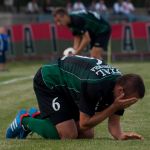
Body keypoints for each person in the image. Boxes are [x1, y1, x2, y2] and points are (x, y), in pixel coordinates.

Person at [6, 55, 145, 140]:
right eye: (130, 101)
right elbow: (85, 122)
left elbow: (114, 126)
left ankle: (40, 117)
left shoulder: (119, 86)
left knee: (87, 135)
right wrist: (114, 107)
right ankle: (24, 120)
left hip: (70, 87)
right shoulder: (95, 85)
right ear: (121, 90)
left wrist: (121, 135)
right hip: (50, 81)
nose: (130, 104)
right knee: (68, 135)